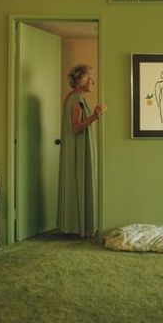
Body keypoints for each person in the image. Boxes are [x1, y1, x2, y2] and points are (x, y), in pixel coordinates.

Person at [57, 64, 107, 237]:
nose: (92, 81)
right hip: (77, 149)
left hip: (77, 148)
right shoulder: (76, 100)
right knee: (79, 181)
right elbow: (76, 127)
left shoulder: (76, 97)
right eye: (89, 78)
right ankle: (79, 228)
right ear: (79, 81)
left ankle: (77, 226)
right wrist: (95, 116)